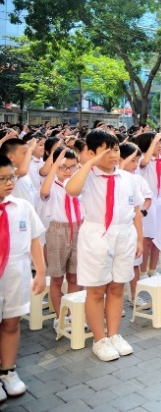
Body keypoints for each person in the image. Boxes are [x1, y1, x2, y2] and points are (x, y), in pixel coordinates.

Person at [65, 129, 143, 361]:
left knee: (118, 286)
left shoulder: (128, 179)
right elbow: (71, 190)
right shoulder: (86, 176)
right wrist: (89, 164)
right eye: (106, 151)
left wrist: (139, 238)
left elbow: (136, 210)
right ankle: (99, 339)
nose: (113, 155)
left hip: (124, 234)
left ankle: (114, 334)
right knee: (97, 290)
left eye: (116, 149)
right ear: (91, 152)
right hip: (97, 235)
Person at [0, 154, 46, 400]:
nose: (9, 183)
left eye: (12, 178)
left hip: (15, 272)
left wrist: (40, 271)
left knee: (11, 322)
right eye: (2, 179)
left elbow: (34, 240)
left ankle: (8, 370)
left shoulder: (22, 207)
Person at [39, 147, 82, 335]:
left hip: (78, 228)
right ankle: (59, 317)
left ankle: (72, 314)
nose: (67, 171)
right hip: (58, 230)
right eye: (63, 167)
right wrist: (55, 163)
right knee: (57, 277)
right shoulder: (52, 186)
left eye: (72, 167)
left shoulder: (78, 185)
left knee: (74, 276)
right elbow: (44, 190)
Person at [118, 143, 153, 308]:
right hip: (115, 229)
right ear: (121, 159)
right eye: (133, 160)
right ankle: (109, 303)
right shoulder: (111, 178)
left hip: (132, 227)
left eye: (137, 161)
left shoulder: (135, 179)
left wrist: (139, 237)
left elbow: (143, 201)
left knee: (135, 265)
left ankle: (135, 296)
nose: (136, 165)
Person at [133, 132, 161, 277]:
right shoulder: (142, 160)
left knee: (158, 238)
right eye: (155, 143)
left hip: (160, 201)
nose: (159, 145)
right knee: (147, 238)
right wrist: (154, 143)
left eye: (160, 143)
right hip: (148, 202)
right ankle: (143, 270)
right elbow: (144, 162)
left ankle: (153, 269)